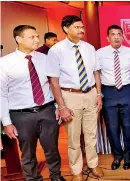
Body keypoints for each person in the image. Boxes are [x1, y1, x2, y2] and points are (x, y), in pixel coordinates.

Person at [0, 25, 64, 181]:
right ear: (18, 39)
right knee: (28, 153)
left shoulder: (44, 58)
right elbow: (1, 94)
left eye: (37, 36)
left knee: (52, 149)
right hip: (21, 115)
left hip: (47, 111)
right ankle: (34, 179)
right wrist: (7, 122)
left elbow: (52, 83)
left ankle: (56, 177)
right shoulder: (5, 63)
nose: (37, 40)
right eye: (32, 37)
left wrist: (56, 106)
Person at [46, 15, 104, 180]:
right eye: (77, 27)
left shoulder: (89, 48)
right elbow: (54, 81)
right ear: (65, 28)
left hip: (91, 93)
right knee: (73, 137)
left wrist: (98, 94)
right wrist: (61, 106)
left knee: (91, 134)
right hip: (70, 95)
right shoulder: (56, 51)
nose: (81, 30)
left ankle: (93, 164)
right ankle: (76, 169)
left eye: (82, 27)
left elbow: (96, 73)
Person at [96, 24, 130, 171]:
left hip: (126, 91)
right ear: (108, 37)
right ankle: (117, 156)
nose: (117, 37)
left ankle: (128, 157)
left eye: (119, 34)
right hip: (109, 92)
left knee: (127, 126)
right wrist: (99, 93)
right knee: (112, 128)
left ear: (123, 36)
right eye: (113, 34)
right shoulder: (99, 53)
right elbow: (97, 74)